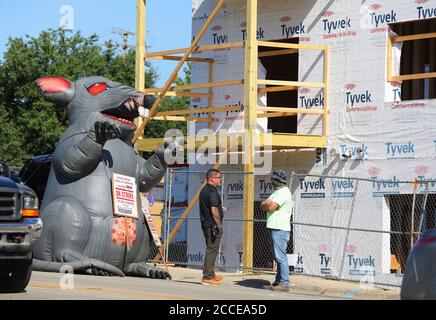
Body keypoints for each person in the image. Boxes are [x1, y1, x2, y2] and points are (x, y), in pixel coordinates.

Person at [261, 170, 293, 291]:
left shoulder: (283, 192)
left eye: (273, 179)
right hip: (274, 227)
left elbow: (269, 206)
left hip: (279, 228)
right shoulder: (277, 192)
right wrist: (265, 204)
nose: (271, 181)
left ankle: (284, 283)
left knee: (280, 256)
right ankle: (278, 281)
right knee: (277, 256)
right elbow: (264, 204)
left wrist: (265, 204)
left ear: (277, 180)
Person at [199, 169, 227, 285]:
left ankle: (211, 273)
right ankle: (207, 276)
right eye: (218, 178)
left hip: (207, 224)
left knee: (212, 249)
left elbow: (215, 207)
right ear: (212, 179)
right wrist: (219, 225)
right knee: (211, 249)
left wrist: (222, 209)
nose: (220, 180)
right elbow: (213, 209)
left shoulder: (205, 190)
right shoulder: (212, 191)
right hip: (212, 225)